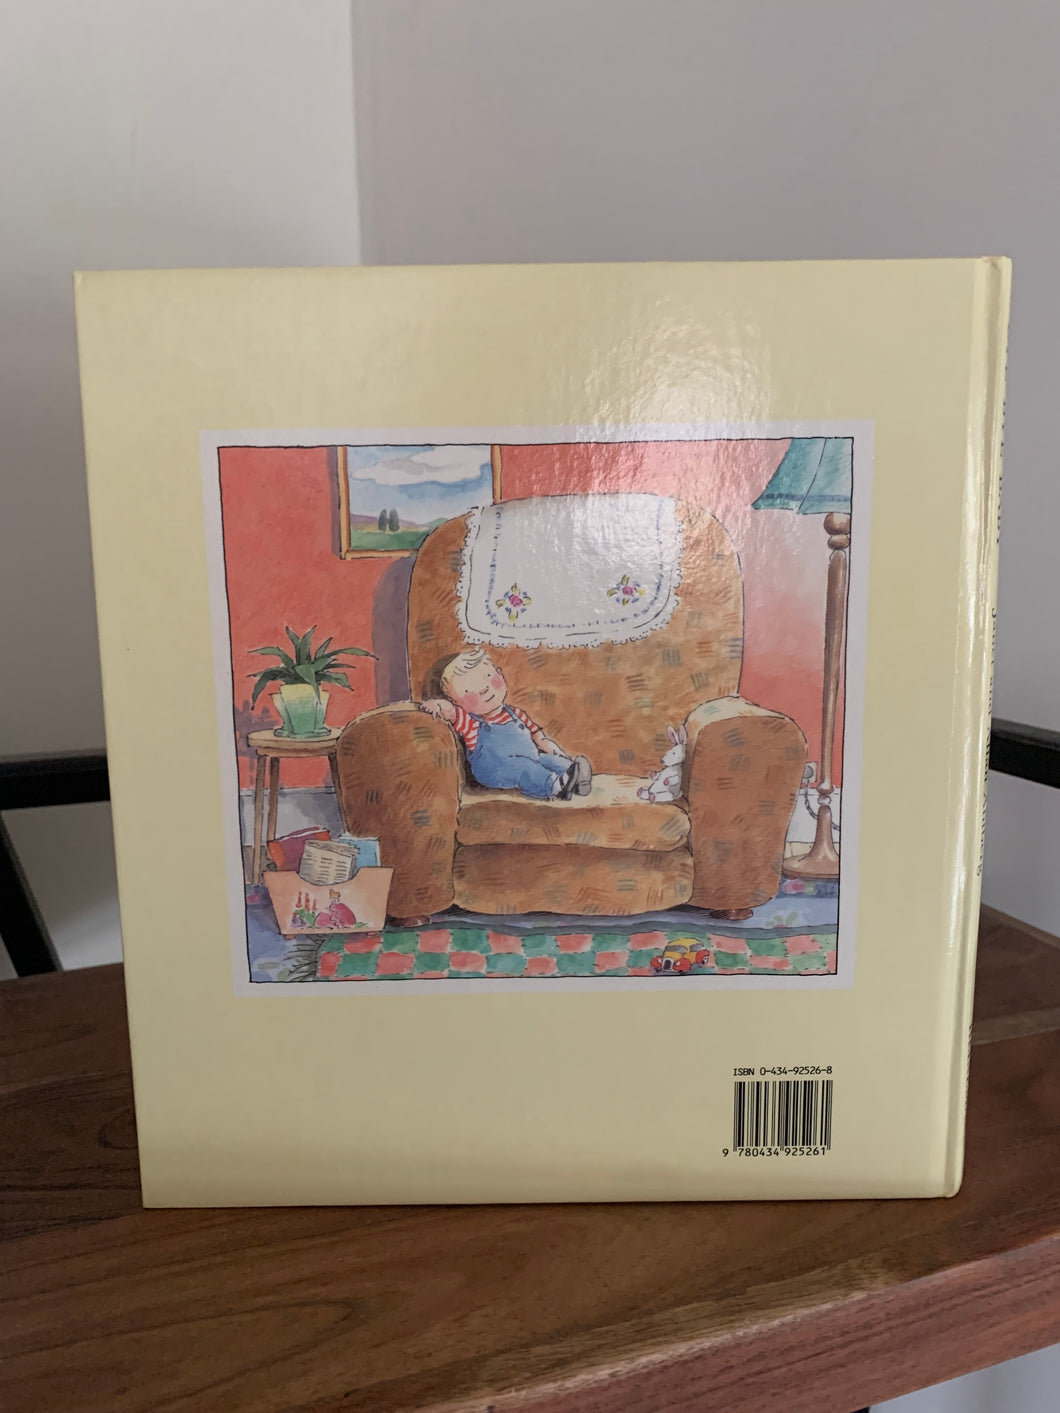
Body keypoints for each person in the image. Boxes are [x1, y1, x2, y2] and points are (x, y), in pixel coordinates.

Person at [420, 648, 592, 801]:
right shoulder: (470, 723)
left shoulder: (515, 714)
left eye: (489, 678)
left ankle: (575, 777)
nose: (484, 690)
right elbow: (451, 712)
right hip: (495, 770)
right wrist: (437, 705)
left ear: (500, 675)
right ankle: (556, 787)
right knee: (525, 769)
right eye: (470, 690)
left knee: (548, 760)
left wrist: (561, 755)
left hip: (530, 757)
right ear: (457, 702)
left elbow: (540, 738)